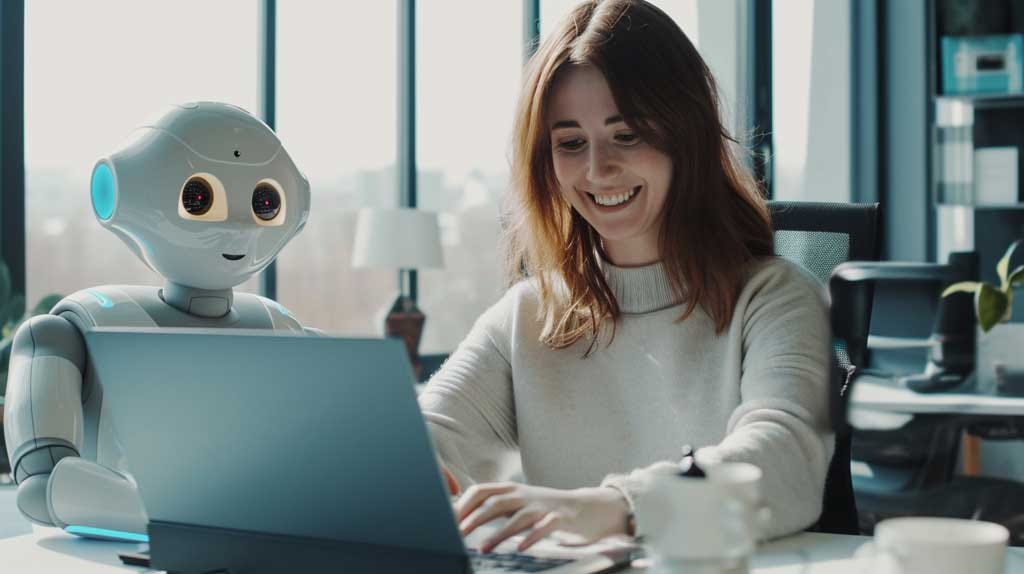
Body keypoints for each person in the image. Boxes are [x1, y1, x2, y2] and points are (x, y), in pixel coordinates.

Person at [418, 0, 832, 554]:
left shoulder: (774, 299)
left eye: (628, 134)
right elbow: (425, 438)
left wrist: (618, 507)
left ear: (685, 135)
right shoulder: (528, 314)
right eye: (570, 143)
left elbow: (785, 458)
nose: (597, 169)